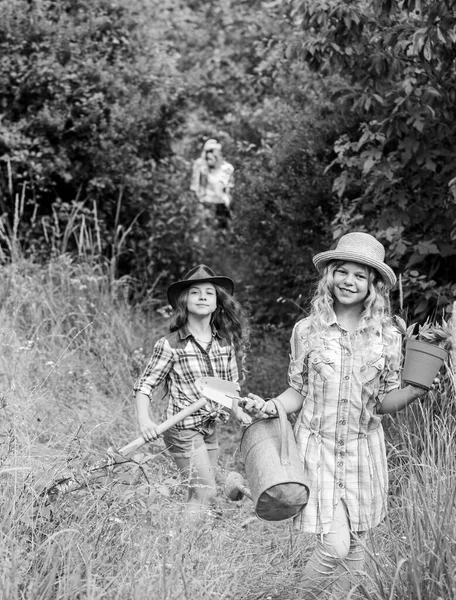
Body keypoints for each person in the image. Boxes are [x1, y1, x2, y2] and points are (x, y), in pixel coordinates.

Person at [239, 232, 429, 599]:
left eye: (360, 276)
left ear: (372, 285)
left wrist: (414, 391)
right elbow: (298, 390)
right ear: (330, 276)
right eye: (342, 272)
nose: (349, 281)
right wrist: (270, 407)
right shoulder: (307, 331)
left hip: (363, 451)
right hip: (318, 448)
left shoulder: (388, 336)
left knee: (357, 550)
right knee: (335, 546)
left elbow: (384, 401)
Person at [133, 264, 249, 521]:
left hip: (208, 426)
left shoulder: (224, 344)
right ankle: (183, 552)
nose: (203, 296)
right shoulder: (171, 345)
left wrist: (239, 412)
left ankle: (188, 548)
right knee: (205, 491)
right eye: (195, 292)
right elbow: (145, 384)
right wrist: (144, 419)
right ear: (184, 302)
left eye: (209, 292)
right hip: (182, 428)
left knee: (198, 491)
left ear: (218, 303)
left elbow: (229, 387)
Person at [190, 139, 235, 228]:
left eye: (212, 153)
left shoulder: (226, 168)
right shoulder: (201, 168)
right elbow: (195, 188)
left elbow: (226, 189)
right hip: (206, 204)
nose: (209, 159)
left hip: (221, 205)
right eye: (207, 154)